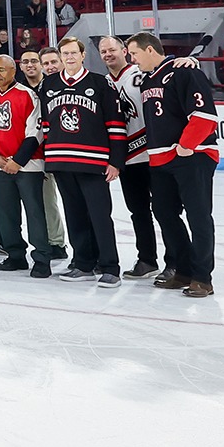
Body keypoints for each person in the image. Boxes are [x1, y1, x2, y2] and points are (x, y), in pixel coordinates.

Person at [129, 33, 221, 298]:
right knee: (165, 214)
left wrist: (186, 145)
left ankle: (202, 278)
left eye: (134, 53)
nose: (132, 60)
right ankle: (183, 269)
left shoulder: (184, 71)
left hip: (192, 156)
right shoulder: (148, 80)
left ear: (149, 49)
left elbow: (205, 115)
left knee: (198, 216)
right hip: (159, 159)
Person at [37, 37, 125, 285]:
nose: (69, 57)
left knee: (99, 215)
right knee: (74, 215)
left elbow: (116, 126)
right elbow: (45, 125)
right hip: (61, 161)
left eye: (74, 53)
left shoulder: (100, 83)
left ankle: (110, 267)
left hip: (93, 162)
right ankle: (84, 264)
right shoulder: (49, 84)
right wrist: (48, 160)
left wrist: (115, 161)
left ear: (83, 55)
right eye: (65, 53)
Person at [0, 55, 52, 277]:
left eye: (2, 69)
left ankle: (41, 258)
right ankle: (15, 255)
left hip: (28, 165)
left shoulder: (28, 95)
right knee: (6, 213)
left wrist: (17, 161)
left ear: (13, 70)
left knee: (35, 213)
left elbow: (35, 133)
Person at [98, 34, 162, 279]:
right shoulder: (103, 82)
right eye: (103, 51)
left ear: (124, 50)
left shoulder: (140, 74)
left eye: (112, 49)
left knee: (165, 211)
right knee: (138, 212)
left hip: (153, 156)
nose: (107, 54)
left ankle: (176, 261)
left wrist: (187, 61)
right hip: (128, 160)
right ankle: (147, 260)